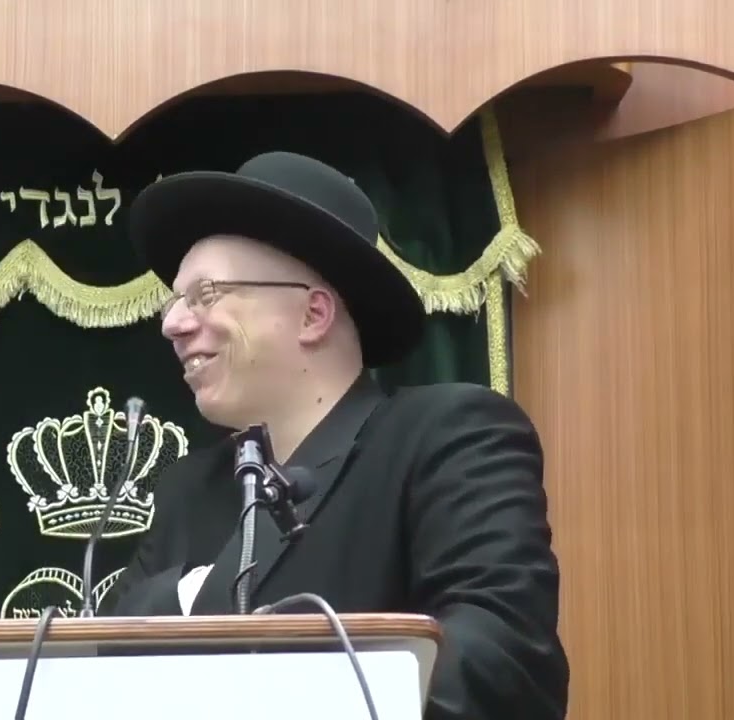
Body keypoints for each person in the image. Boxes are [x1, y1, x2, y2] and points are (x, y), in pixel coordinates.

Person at [99, 151, 569, 720]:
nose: (173, 323)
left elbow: (505, 662)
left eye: (207, 294)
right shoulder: (188, 490)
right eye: (176, 301)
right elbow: (105, 660)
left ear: (313, 315)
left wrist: (213, 619)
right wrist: (187, 595)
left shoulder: (446, 437)